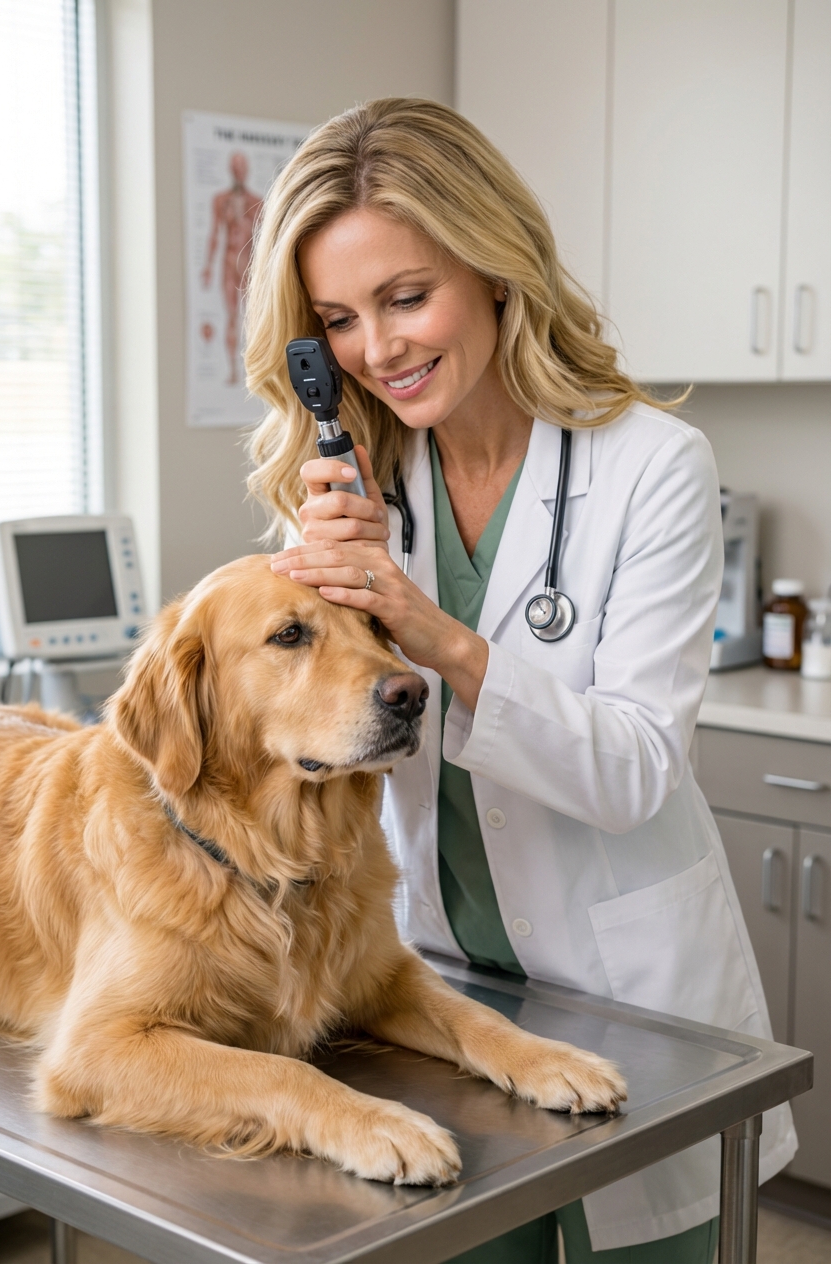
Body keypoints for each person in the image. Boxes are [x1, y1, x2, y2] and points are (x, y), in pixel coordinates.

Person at [244, 98, 796, 1262]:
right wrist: (330, 619)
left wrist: (427, 628)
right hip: (429, 993)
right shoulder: (353, 487)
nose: (376, 350)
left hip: (624, 995)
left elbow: (636, 769)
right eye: (338, 320)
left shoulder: (649, 463)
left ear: (494, 270)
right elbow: (321, 754)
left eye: (406, 297)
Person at [201, 151, 263, 383]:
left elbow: (262, 241)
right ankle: (233, 370)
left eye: (242, 166)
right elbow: (214, 235)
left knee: (254, 318)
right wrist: (207, 266)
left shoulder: (257, 203)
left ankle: (256, 372)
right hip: (228, 263)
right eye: (235, 166)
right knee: (231, 317)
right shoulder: (221, 200)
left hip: (248, 265)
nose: (238, 171)